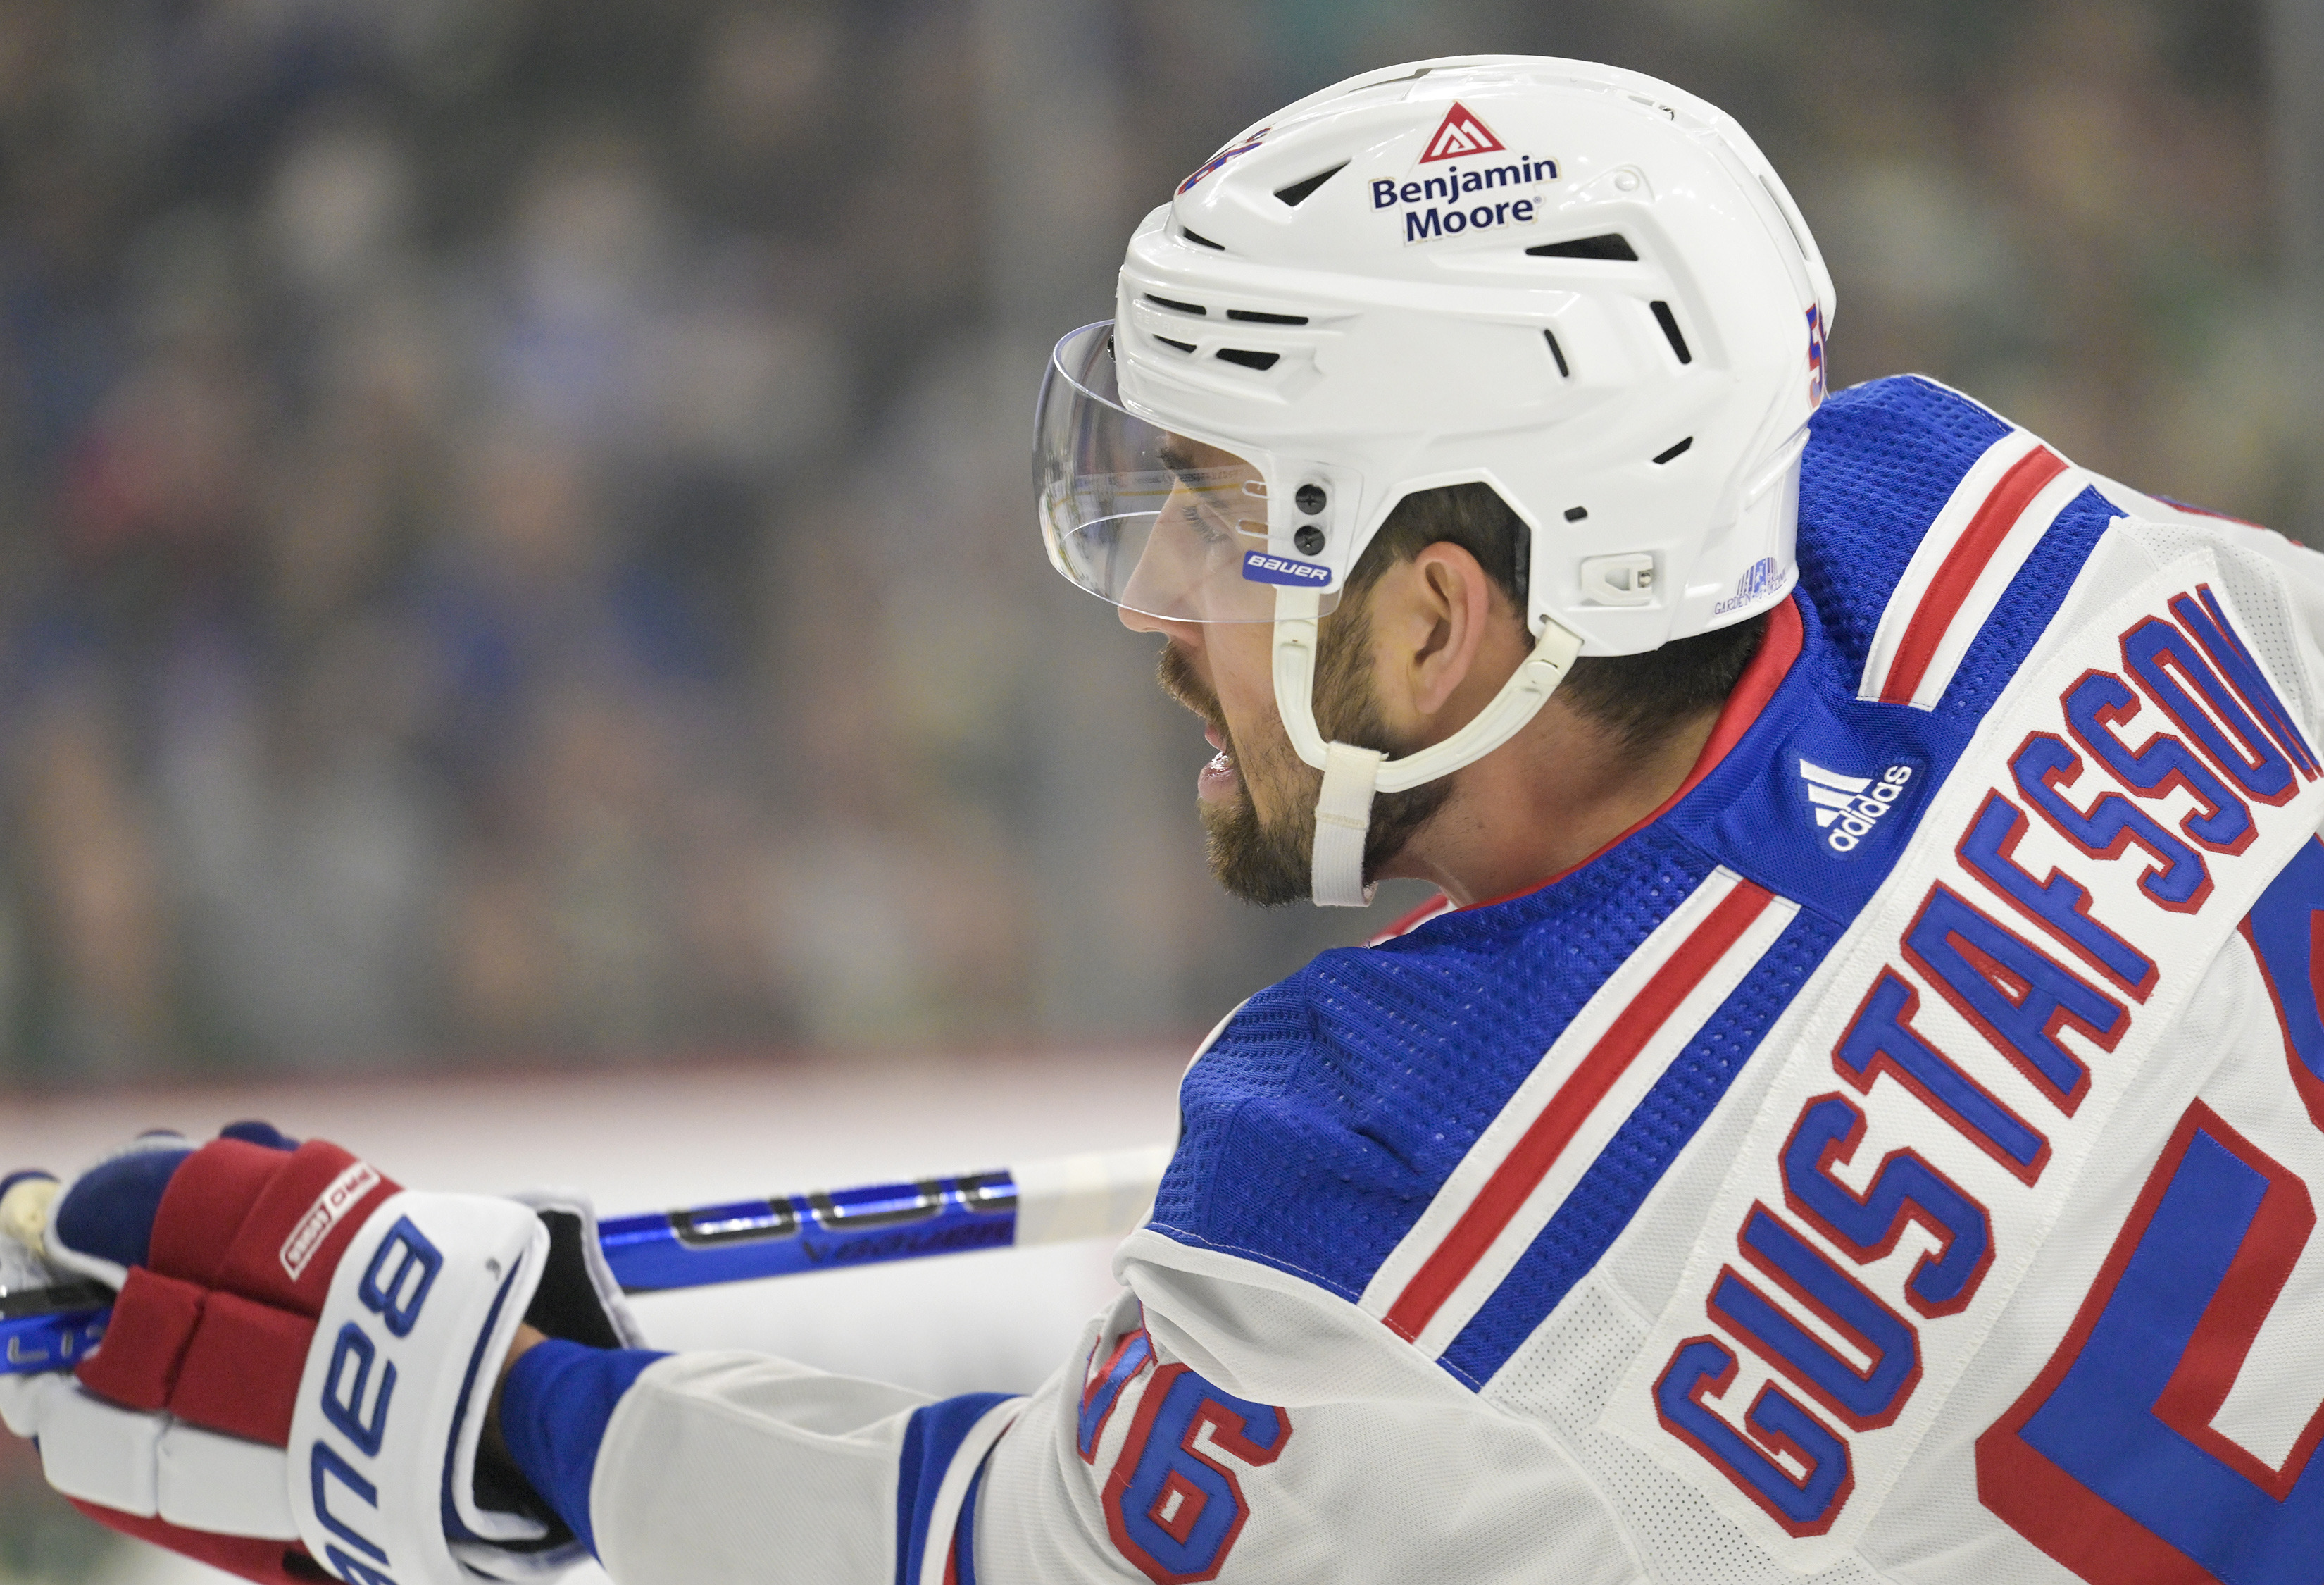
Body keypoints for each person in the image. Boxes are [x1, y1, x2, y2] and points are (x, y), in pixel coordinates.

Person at [7, 51, 2324, 1585]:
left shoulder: (1357, 1179)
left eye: (1217, 516)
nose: (1150, 604)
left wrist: (502, 1429)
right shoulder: (1974, 532)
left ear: (1442, 619)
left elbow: (968, 1543)